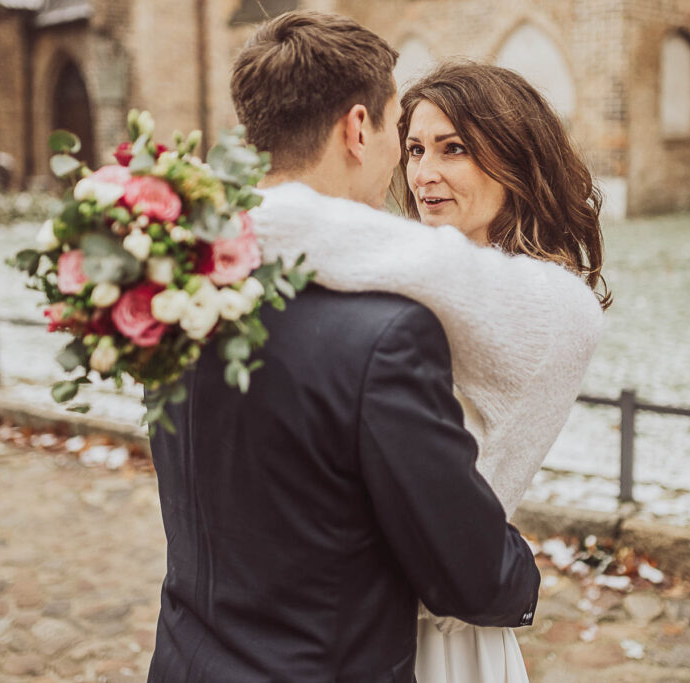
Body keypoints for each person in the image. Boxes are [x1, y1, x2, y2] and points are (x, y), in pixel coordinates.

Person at [147, 12, 541, 683]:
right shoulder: (385, 333)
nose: (405, 164)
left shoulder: (173, 285)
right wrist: (524, 577)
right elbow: (468, 572)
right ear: (359, 128)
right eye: (399, 132)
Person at [252, 60, 609, 682]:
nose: (423, 175)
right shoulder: (419, 277)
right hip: (352, 612)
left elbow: (317, 232)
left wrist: (187, 220)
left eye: (455, 149)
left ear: (519, 158)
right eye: (414, 149)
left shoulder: (552, 304)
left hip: (437, 627)